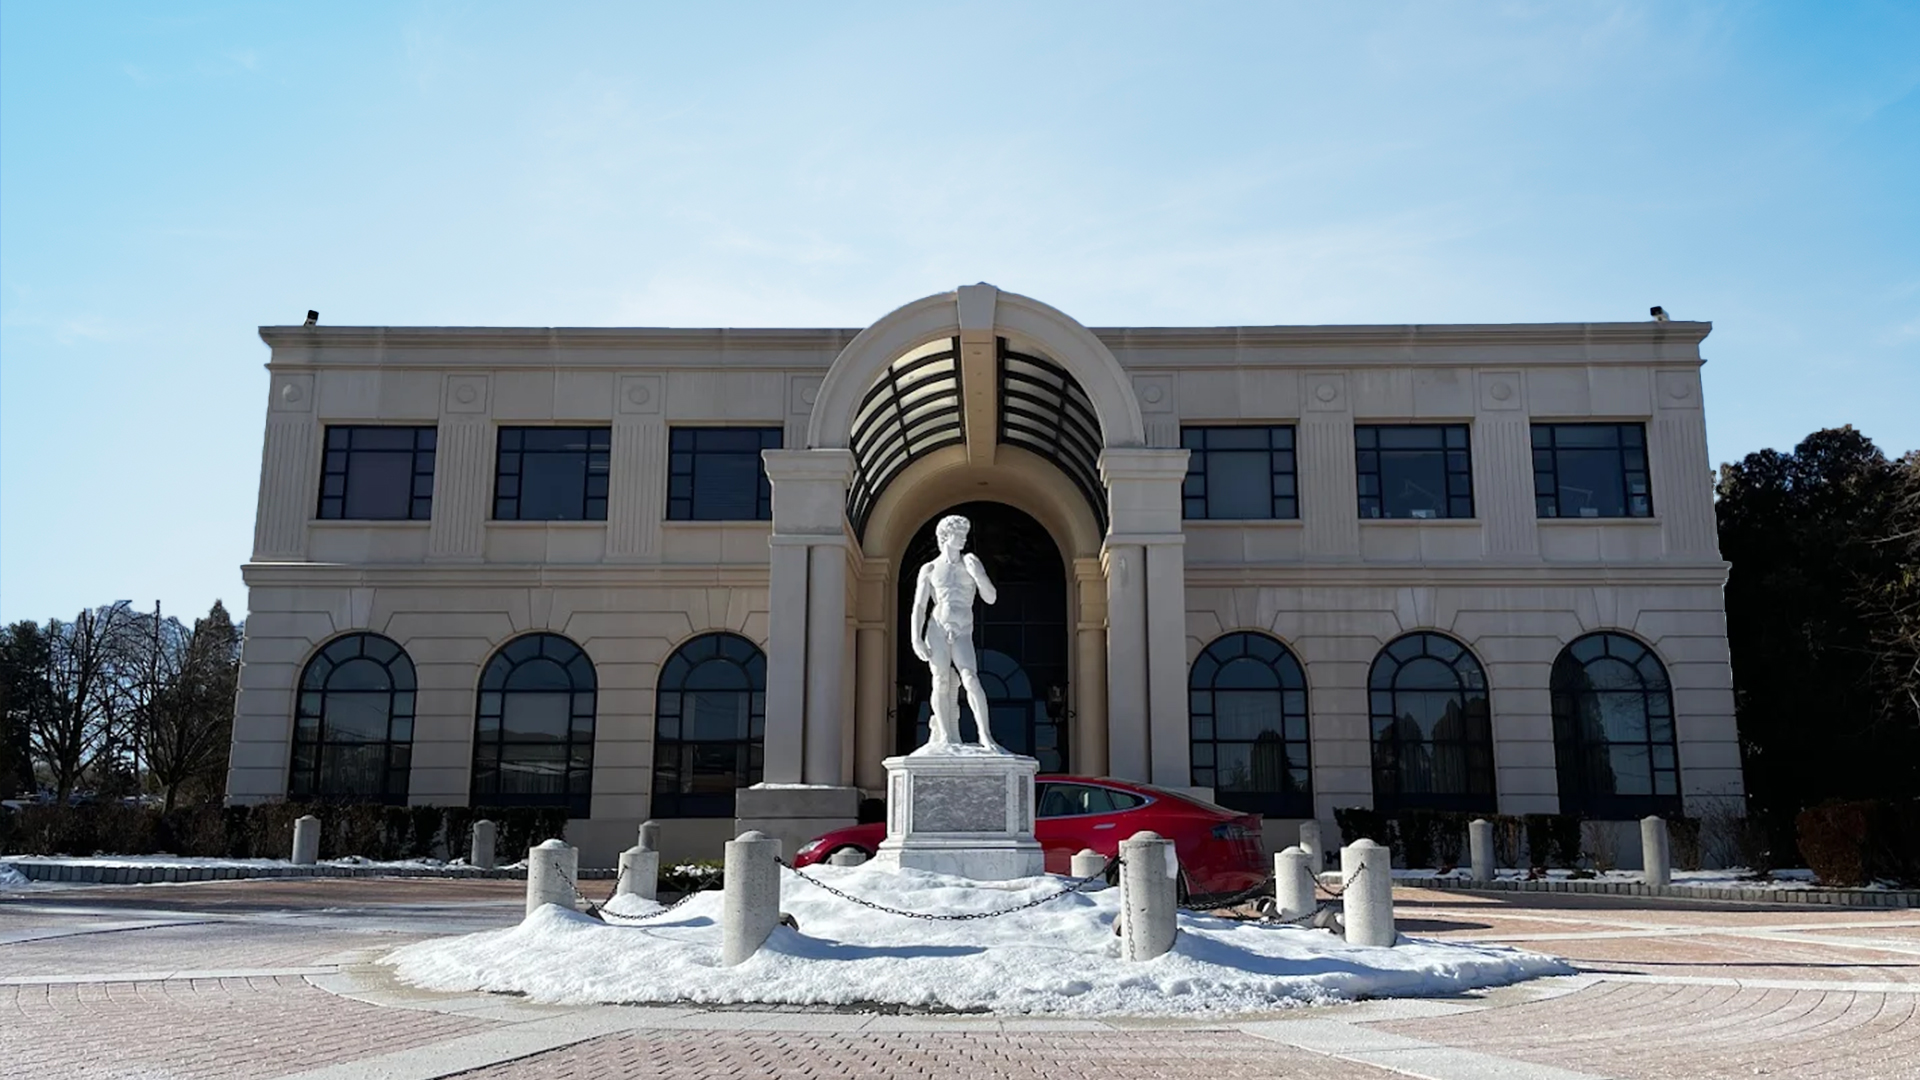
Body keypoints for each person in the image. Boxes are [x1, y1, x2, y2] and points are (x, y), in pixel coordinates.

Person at [907, 514, 1002, 751]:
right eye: (958, 534)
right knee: (940, 680)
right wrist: (916, 638)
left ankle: (985, 736)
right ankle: (946, 737)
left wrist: (978, 575)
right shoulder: (930, 568)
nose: (963, 539)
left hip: (963, 631)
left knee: (971, 679)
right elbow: (919, 606)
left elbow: (991, 598)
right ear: (945, 536)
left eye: (964, 534)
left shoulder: (970, 562)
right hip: (937, 629)